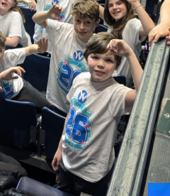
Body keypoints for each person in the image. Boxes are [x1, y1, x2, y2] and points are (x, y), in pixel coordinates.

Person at [52, 35, 142, 196]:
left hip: (92, 174)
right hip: (67, 161)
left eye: (108, 60)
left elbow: (144, 95)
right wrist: (60, 147)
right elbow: (71, 116)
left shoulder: (116, 93)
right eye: (95, 57)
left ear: (116, 66)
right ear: (86, 58)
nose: (100, 64)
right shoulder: (80, 79)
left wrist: (129, 54)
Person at [32, 0, 101, 114]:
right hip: (55, 101)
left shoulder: (99, 46)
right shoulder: (62, 30)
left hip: (80, 107)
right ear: (72, 18)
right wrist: (48, 14)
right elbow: (36, 19)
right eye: (78, 21)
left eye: (87, 22)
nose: (82, 27)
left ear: (96, 23)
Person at [0, 29, 51, 107]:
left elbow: (29, 50)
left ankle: (43, 95)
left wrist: (39, 49)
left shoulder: (7, 56)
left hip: (20, 89)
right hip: (4, 101)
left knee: (48, 106)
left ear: (3, 51)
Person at [101, 0, 155, 83]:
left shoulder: (132, 24)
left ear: (127, 6)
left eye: (119, 3)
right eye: (110, 5)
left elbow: (150, 29)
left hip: (122, 83)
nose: (114, 7)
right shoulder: (112, 26)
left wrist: (135, 2)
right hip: (108, 78)